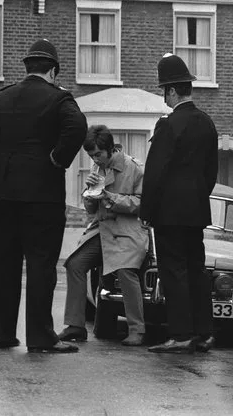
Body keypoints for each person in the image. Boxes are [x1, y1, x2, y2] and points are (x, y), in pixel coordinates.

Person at [0, 39, 87, 353]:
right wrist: (57, 159)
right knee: (41, 264)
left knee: (3, 263)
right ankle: (41, 337)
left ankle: (2, 334)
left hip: (1, 193)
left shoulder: (0, 97)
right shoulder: (59, 99)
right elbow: (78, 127)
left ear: (27, 67)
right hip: (41, 195)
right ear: (54, 70)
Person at [140, 54, 218, 354]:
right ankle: (204, 333)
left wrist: (146, 211)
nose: (165, 98)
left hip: (169, 213)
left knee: (173, 272)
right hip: (196, 211)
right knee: (197, 271)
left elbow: (156, 172)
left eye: (165, 92)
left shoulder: (169, 125)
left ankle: (181, 334)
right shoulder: (207, 123)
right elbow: (211, 173)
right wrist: (197, 197)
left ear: (172, 91)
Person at [58, 125, 148, 346]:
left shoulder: (134, 168)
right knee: (74, 264)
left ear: (110, 149)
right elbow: (90, 210)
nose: (95, 159)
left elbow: (142, 204)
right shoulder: (97, 169)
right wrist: (88, 195)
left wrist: (110, 197)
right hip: (102, 230)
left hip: (127, 231)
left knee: (126, 271)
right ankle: (76, 326)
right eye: (91, 155)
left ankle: (137, 330)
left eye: (98, 154)